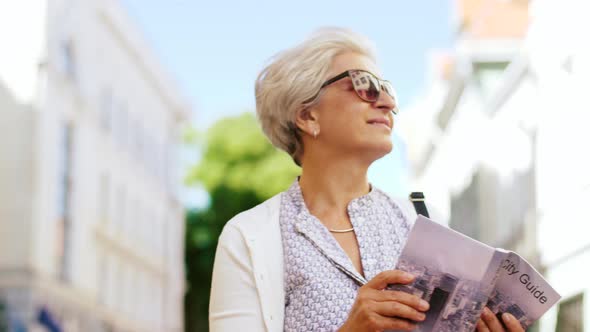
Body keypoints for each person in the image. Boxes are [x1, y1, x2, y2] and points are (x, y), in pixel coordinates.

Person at [208, 27, 523, 332]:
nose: (388, 103)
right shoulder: (248, 237)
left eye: (387, 90)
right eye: (365, 85)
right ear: (307, 116)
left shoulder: (423, 221)